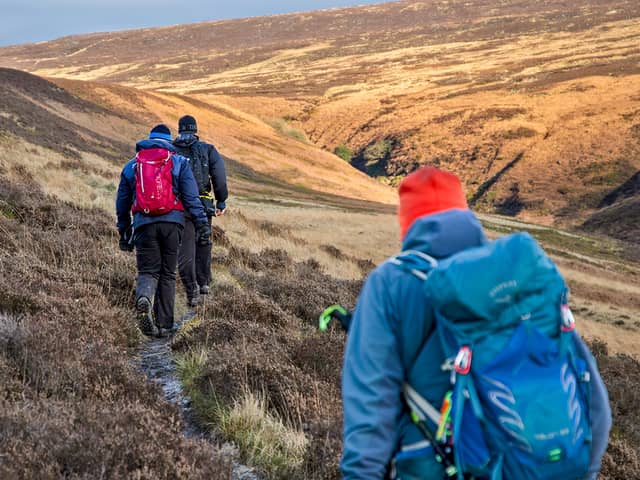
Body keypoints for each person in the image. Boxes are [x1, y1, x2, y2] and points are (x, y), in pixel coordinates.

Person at [340, 167, 611, 479]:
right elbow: (593, 399)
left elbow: (370, 406)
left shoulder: (390, 284)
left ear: (407, 223)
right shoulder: (516, 279)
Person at [116, 124, 211, 336]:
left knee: (148, 271)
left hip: (143, 224)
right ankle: (165, 325)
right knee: (168, 273)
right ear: (170, 141)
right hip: (173, 224)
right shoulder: (179, 162)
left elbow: (122, 202)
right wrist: (202, 224)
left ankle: (144, 298)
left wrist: (124, 231)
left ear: (150, 139)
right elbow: (191, 197)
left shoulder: (132, 166)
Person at [173, 115, 228, 306]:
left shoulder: (171, 149)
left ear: (179, 130)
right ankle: (202, 283)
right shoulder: (208, 149)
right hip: (203, 204)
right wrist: (221, 201)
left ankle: (188, 284)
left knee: (184, 244)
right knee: (203, 240)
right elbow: (219, 176)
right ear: (195, 130)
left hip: (178, 206)